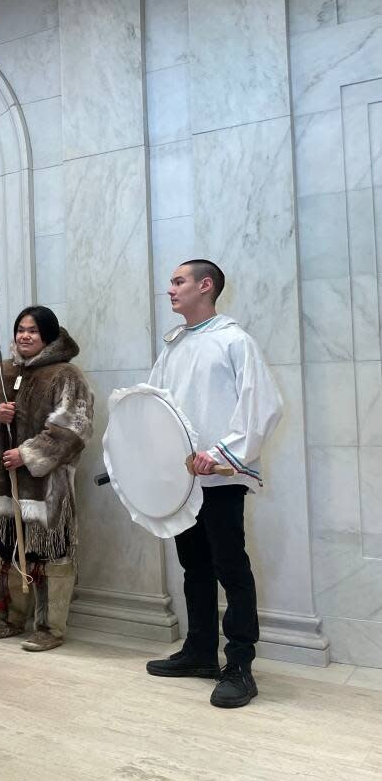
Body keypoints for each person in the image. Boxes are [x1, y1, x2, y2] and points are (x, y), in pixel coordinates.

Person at [145, 260, 282, 709]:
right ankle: (200, 651)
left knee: (231, 568)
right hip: (184, 482)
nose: (170, 290)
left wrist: (219, 454)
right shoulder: (173, 348)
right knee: (194, 567)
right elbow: (156, 409)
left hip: (221, 479)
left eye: (178, 281)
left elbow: (262, 406)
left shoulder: (234, 341)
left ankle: (239, 665)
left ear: (206, 286)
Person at [0, 306, 93, 652]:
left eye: (33, 330)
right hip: (1, 482)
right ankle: (9, 617)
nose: (25, 336)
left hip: (46, 485)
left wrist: (28, 454)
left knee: (49, 556)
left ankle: (50, 627)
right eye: (21, 329)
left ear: (48, 335)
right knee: (6, 553)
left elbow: (74, 427)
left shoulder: (67, 375)